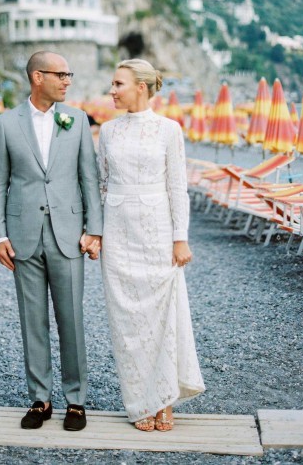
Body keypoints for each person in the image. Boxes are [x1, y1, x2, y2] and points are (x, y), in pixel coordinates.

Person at [0, 51, 102, 432]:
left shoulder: (78, 120)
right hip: (22, 238)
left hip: (69, 235)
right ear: (38, 77)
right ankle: (40, 399)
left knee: (71, 319)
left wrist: (94, 229)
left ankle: (76, 401)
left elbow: (90, 178)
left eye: (69, 74)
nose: (67, 80)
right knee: (31, 321)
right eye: (61, 74)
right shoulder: (6, 123)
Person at [98, 59, 205, 432]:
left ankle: (165, 399)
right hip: (117, 233)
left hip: (158, 232)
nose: (112, 90)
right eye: (112, 84)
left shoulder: (168, 130)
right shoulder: (108, 132)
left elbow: (178, 186)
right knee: (126, 322)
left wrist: (180, 238)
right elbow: (102, 184)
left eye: (118, 84)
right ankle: (139, 400)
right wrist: (94, 233)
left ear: (141, 87)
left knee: (164, 315)